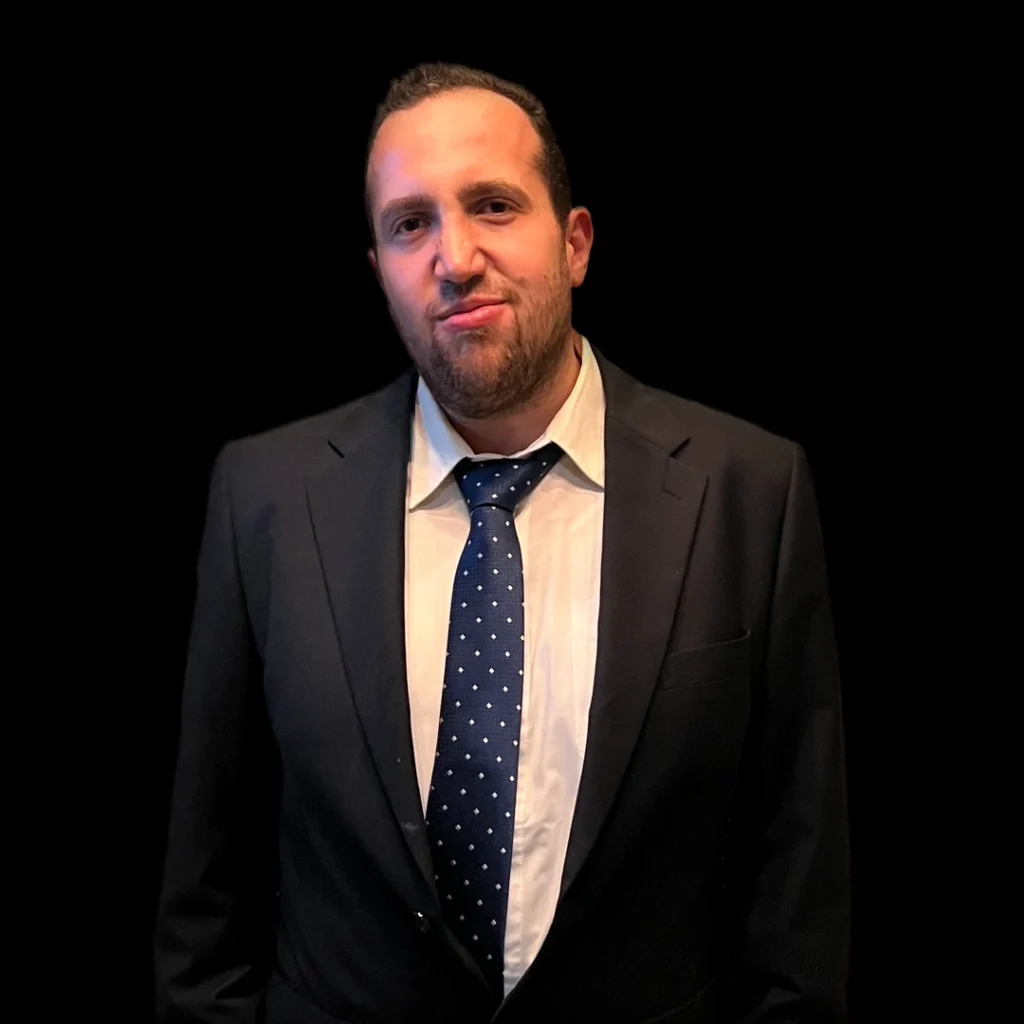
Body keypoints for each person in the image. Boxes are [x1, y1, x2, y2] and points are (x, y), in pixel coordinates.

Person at [153, 61, 850, 1023]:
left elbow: (798, 888)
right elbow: (206, 888)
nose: (455, 257)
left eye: (493, 205)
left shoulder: (750, 491)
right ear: (379, 272)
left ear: (575, 242)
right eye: (411, 224)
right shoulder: (265, 497)